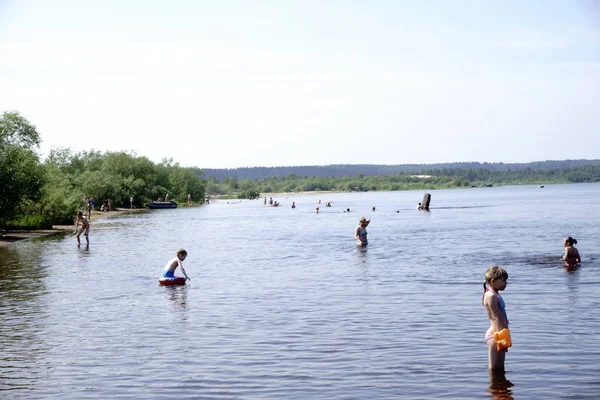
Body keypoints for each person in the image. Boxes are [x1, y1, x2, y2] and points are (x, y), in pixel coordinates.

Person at [483, 266, 510, 371]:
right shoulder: (491, 296)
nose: (506, 283)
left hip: (501, 334)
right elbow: (495, 318)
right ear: (493, 281)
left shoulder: (495, 294)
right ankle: (492, 387)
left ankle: (500, 387)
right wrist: (502, 339)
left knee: (500, 369)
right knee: (494, 370)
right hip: (495, 335)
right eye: (503, 280)